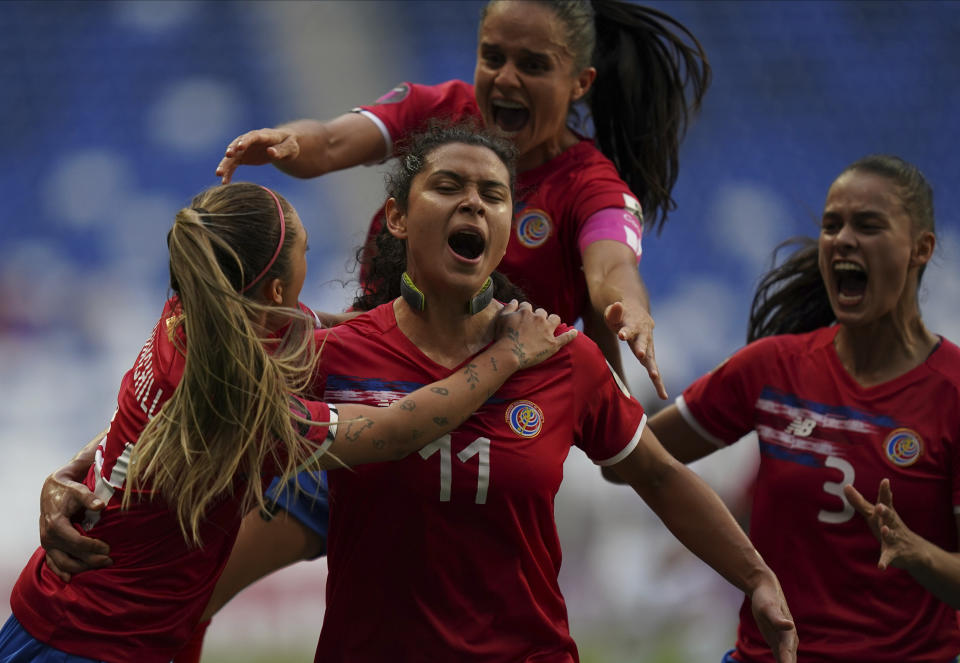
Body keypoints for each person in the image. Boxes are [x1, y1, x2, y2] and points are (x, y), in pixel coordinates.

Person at [202, 126, 794, 661]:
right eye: (448, 185)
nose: (473, 203)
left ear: (508, 227)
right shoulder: (335, 353)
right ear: (398, 218)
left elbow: (660, 477)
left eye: (493, 194)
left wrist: (758, 577)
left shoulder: (563, 358)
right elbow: (198, 434)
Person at [1, 181, 575, 663]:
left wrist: (72, 466)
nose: (310, 255)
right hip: (92, 643)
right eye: (304, 248)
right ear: (275, 287)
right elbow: (397, 431)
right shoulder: (240, 398)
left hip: (69, 614)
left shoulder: (199, 310)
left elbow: (323, 329)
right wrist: (509, 355)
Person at [214, 0, 713, 398]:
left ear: (580, 82)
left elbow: (611, 271)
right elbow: (329, 141)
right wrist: (288, 141)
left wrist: (632, 311)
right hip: (373, 380)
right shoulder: (440, 110)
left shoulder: (592, 187)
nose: (506, 78)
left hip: (499, 421)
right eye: (492, 57)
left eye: (533, 65)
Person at [632, 155, 960, 661]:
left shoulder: (953, 391)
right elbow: (633, 456)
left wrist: (919, 556)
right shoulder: (771, 369)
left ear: (921, 248)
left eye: (868, 225)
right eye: (832, 225)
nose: (843, 239)